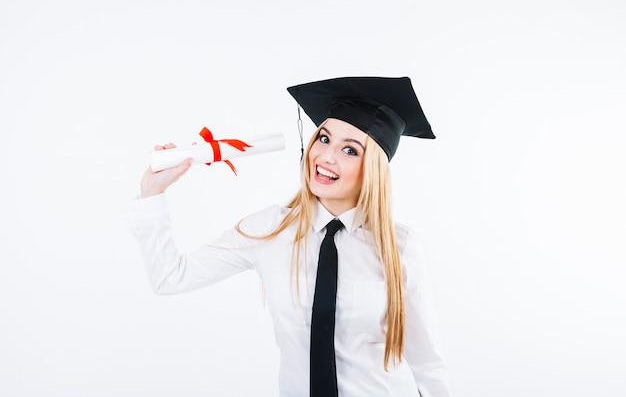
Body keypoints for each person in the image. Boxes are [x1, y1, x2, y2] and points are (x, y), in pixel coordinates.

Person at [126, 76, 452, 397]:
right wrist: (152, 193)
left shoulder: (399, 247)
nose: (326, 157)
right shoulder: (270, 230)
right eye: (323, 139)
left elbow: (427, 364)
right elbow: (170, 277)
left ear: (373, 170)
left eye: (350, 150)